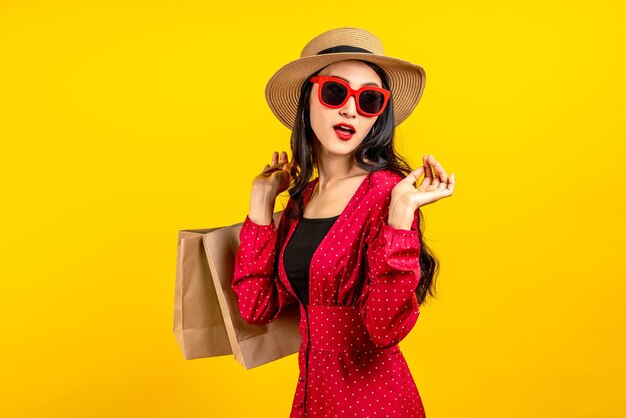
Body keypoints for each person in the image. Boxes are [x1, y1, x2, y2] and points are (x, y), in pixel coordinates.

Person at [231, 27, 455, 418]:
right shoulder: (302, 199)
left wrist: (400, 221)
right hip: (312, 397)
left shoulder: (388, 194)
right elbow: (256, 308)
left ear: (377, 117)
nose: (351, 109)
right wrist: (260, 205)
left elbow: (385, 329)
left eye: (369, 100)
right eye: (336, 92)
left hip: (374, 402)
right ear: (308, 102)